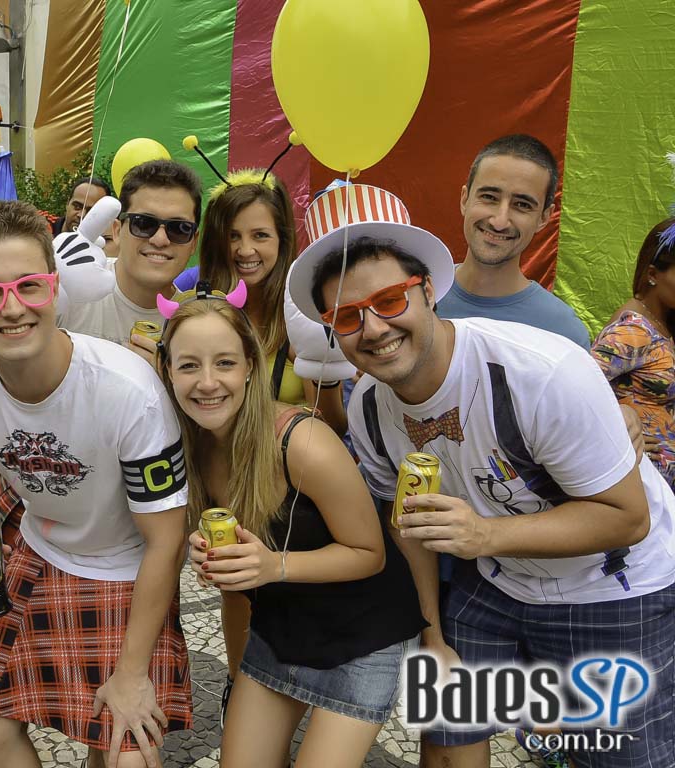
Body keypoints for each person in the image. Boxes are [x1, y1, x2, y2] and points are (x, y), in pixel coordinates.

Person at [287, 181, 675, 768]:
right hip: (494, 584)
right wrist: (432, 636)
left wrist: (483, 537)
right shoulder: (368, 404)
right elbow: (408, 524)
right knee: (446, 743)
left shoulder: (539, 373)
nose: (372, 329)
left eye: (390, 301)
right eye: (345, 316)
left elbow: (628, 517)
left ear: (427, 292)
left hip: (612, 587)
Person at [0, 200, 192, 768]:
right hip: (42, 550)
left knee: (127, 753)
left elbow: (165, 543)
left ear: (54, 287)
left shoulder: (128, 391)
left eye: (29, 286)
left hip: (127, 565)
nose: (12, 309)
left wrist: (131, 675)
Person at [157, 287, 425, 768]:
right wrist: (215, 562)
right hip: (280, 628)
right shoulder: (189, 449)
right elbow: (234, 590)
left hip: (362, 636)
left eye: (224, 363)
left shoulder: (301, 442)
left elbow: (370, 553)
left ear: (251, 368)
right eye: (189, 365)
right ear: (168, 373)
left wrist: (271, 565)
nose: (207, 382)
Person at [436, 134, 589, 348]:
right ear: (464, 199)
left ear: (544, 218)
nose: (499, 221)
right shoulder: (415, 299)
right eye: (489, 197)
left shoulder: (563, 333)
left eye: (522, 205)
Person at [59, 160, 202, 350]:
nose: (160, 240)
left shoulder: (197, 325)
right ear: (117, 230)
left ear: (193, 241)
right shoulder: (73, 288)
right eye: (143, 223)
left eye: (179, 228)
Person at [593, 217, 675, 489]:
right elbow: (575, 386)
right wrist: (619, 424)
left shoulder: (663, 324)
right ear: (652, 275)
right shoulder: (634, 330)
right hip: (640, 487)